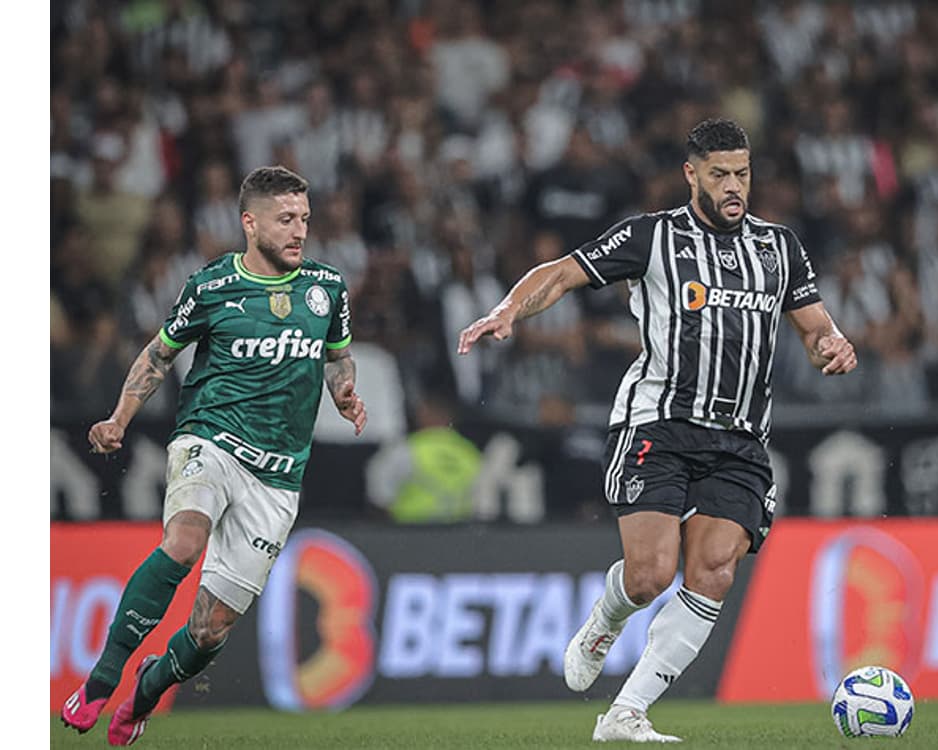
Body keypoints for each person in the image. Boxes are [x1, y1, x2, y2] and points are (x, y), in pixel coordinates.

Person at [458, 118, 857, 742]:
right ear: (691, 174)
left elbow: (814, 328)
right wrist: (508, 309)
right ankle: (607, 618)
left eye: (743, 174)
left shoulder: (781, 248)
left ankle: (626, 712)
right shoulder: (651, 236)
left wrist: (833, 343)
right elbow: (562, 271)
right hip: (659, 423)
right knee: (648, 576)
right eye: (721, 174)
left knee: (716, 568)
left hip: (741, 439)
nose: (734, 187)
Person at [60, 166, 367, 746]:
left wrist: (344, 391)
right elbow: (158, 356)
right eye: (285, 220)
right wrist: (118, 419)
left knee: (209, 629)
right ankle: (101, 678)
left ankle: (144, 691)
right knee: (184, 540)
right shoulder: (212, 286)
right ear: (250, 223)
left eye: (304, 218)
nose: (299, 230)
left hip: (278, 475)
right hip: (211, 439)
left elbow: (337, 357)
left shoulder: (328, 286)